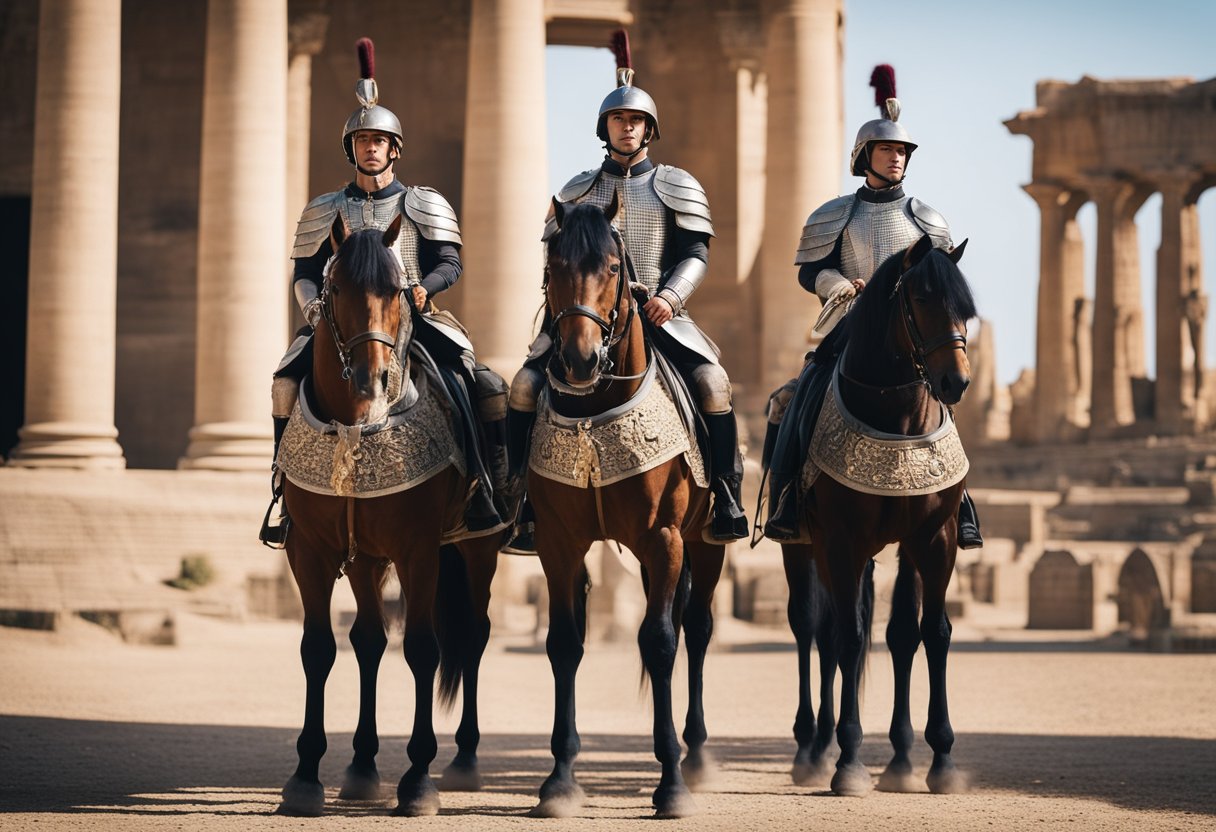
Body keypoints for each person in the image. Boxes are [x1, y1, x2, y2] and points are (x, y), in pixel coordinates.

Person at [501, 30, 749, 555]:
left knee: (713, 384)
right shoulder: (575, 192)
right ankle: (520, 500)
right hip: (585, 315)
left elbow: (695, 255)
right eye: (619, 119)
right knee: (523, 389)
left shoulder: (677, 185)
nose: (627, 127)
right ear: (605, 127)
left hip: (660, 316)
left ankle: (725, 495)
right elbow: (554, 257)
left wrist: (670, 297)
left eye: (636, 120)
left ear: (649, 130)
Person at [260, 38, 509, 546]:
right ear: (351, 149)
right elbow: (305, 270)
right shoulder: (324, 209)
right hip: (338, 322)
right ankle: (286, 492)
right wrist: (311, 307)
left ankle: (484, 486)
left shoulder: (424, 203)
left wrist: (423, 289)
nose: (370, 148)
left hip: (412, 317)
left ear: (394, 149)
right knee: (285, 383)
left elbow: (450, 262)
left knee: (479, 383)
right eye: (362, 142)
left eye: (379, 141)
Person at [762, 64, 983, 549]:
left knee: (942, 404)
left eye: (902, 151)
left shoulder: (929, 221)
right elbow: (807, 270)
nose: (896, 158)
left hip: (915, 337)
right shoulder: (836, 214)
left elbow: (944, 285)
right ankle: (786, 501)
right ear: (865, 155)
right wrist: (838, 284)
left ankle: (961, 503)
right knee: (794, 399)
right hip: (851, 330)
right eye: (887, 149)